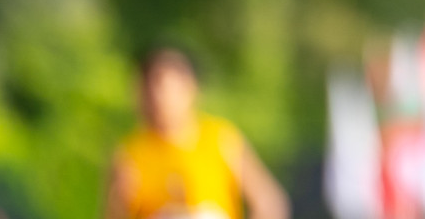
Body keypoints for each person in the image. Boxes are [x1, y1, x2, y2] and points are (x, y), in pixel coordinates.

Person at [103, 47, 288, 219]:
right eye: (148, 86)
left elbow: (268, 201)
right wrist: (118, 201)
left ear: (190, 88)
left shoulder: (220, 139)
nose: (156, 97)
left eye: (163, 85)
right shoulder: (129, 154)